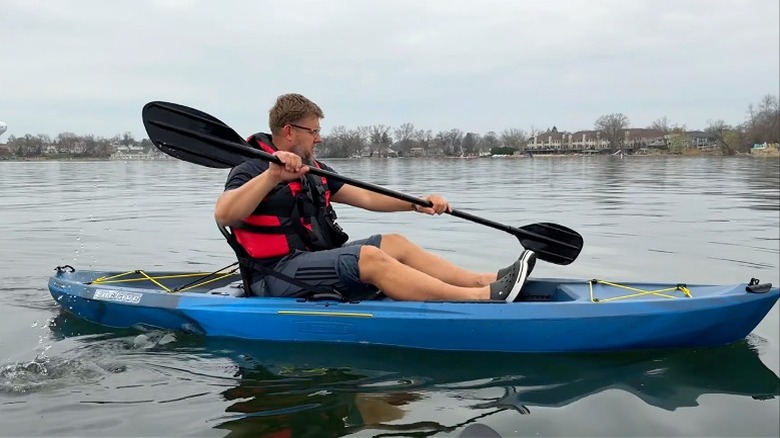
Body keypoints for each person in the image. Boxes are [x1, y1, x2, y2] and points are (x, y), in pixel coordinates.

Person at [214, 93, 536, 302]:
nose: (319, 137)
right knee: (368, 257)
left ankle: (484, 280)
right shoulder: (251, 166)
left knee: (393, 242)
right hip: (274, 277)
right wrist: (272, 176)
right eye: (313, 131)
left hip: (310, 264)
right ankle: (480, 299)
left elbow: (367, 197)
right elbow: (224, 214)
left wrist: (416, 203)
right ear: (288, 131)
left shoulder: (313, 170)